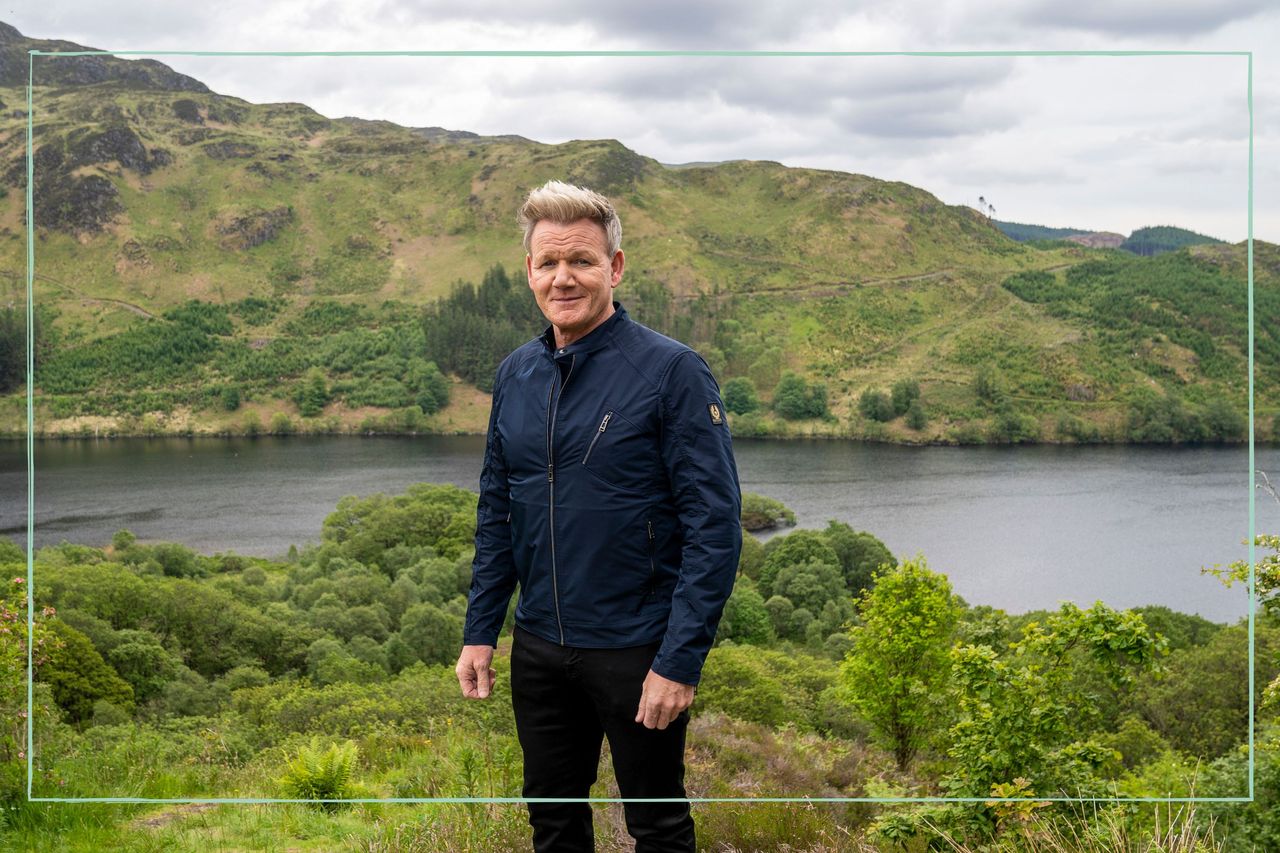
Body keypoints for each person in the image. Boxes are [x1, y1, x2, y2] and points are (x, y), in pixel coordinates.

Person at [455, 180, 742, 852]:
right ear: (528, 272)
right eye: (548, 262)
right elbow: (498, 511)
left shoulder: (672, 371)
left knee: (658, 826)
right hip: (540, 647)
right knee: (552, 821)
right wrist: (480, 629)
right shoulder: (515, 374)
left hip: (637, 648)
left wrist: (680, 660)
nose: (564, 277)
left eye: (581, 260)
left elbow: (716, 526)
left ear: (614, 267)